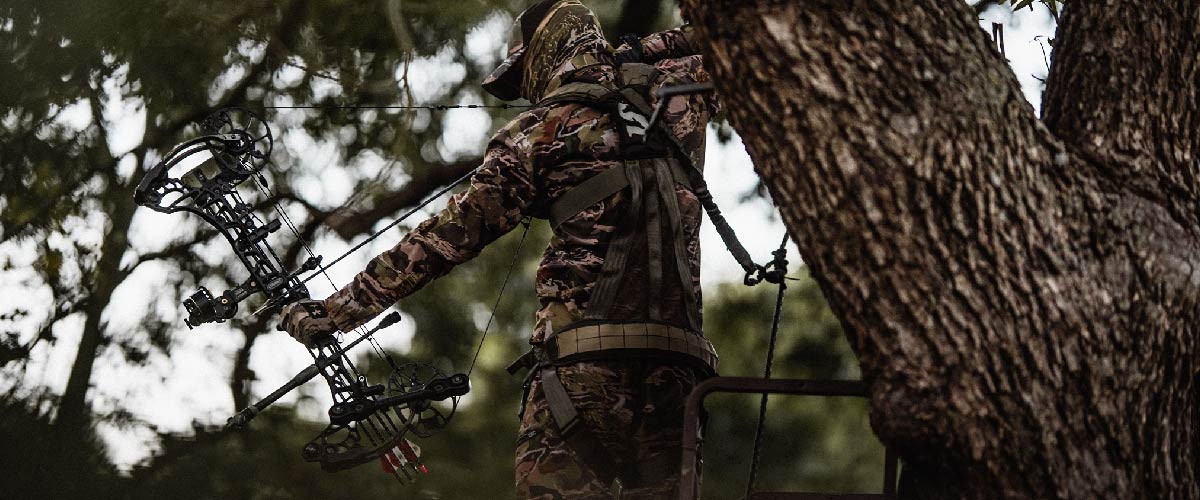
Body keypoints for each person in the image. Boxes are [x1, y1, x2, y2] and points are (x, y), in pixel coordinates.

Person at [280, 1, 719, 498]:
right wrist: (642, 50)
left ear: (546, 53)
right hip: (680, 373)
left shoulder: (540, 130)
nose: (525, 92)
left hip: (582, 372)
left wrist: (336, 312)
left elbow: (444, 238)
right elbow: (726, 35)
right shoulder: (682, 92)